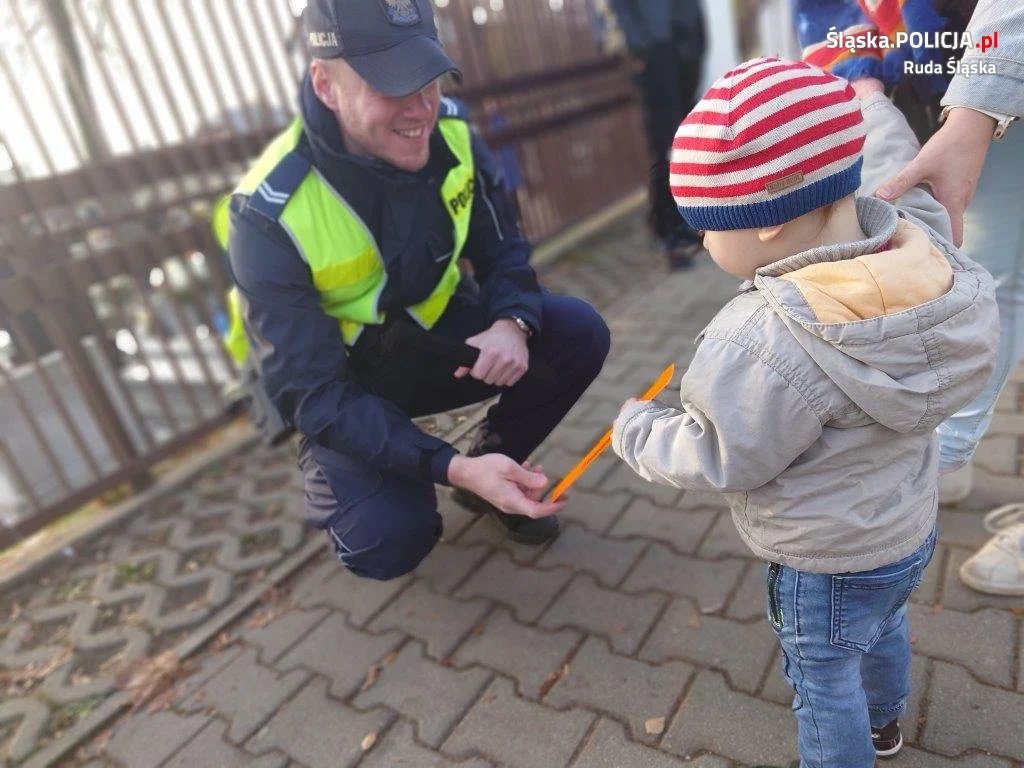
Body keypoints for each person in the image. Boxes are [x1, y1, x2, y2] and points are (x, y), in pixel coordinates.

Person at [611, 58, 999, 767]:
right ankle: (886, 728)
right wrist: (868, 94)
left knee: (823, 681)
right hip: (907, 531)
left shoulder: (761, 337)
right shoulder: (919, 244)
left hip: (823, 562)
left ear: (763, 226)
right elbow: (880, 148)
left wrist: (638, 431)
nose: (702, 242)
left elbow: (721, 452)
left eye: (707, 226)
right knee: (883, 631)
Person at [215, 0, 610, 581]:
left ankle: (489, 473)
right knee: (386, 538)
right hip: (348, 383)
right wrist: (442, 465)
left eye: (427, 78)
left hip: (432, 344)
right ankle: (431, 476)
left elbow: (503, 248)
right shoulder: (266, 214)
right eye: (392, 86)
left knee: (577, 332)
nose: (421, 108)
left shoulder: (454, 133)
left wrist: (512, 323)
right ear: (326, 85)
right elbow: (313, 393)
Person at [794, 0, 1024, 595]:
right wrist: (862, 81)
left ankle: (943, 450)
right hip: (931, 93)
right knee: (962, 264)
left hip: (991, 76)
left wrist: (976, 113)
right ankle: (942, 450)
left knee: (993, 279)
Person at [608, 0, 707, 270]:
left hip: (686, 37)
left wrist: (698, 34)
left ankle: (690, 219)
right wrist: (639, 43)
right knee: (664, 141)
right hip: (656, 43)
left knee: (688, 137)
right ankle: (668, 232)